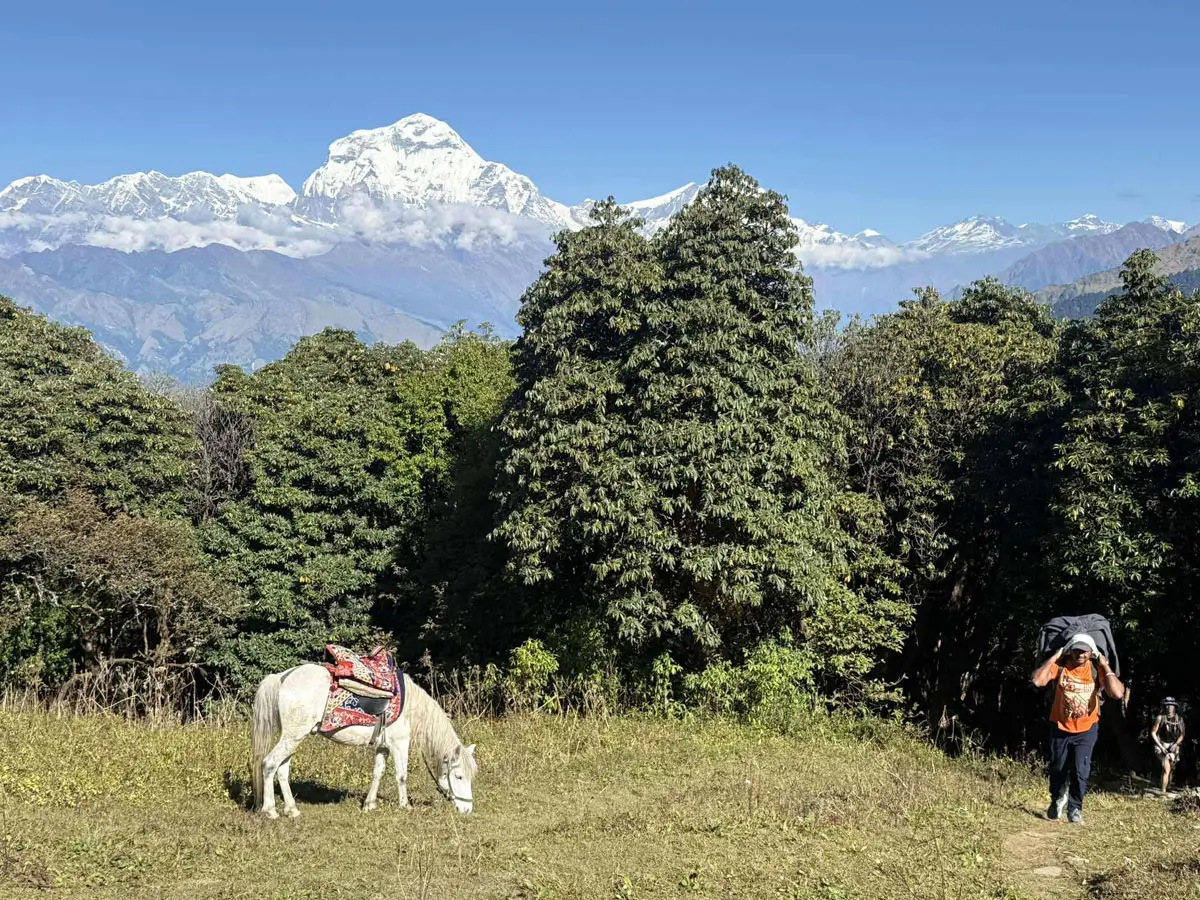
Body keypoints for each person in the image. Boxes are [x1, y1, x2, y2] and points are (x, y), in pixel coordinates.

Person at [1032, 633, 1126, 824]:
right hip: (1060, 726)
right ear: (1070, 651)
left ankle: (1075, 809)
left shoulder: (1095, 669)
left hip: (1087, 728)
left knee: (1080, 770)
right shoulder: (1060, 667)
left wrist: (1105, 664)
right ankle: (1057, 798)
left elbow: (1117, 693)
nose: (1080, 654)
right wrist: (1056, 656)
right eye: (1076, 650)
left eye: (1084, 651)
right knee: (1058, 767)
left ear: (1091, 652)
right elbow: (1037, 681)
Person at [1151, 697, 1185, 795]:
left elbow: (1182, 734)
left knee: (1171, 767)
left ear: (1175, 707)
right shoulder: (1160, 718)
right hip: (1162, 744)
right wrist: (1161, 747)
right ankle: (1163, 791)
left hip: (1173, 745)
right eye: (1168, 706)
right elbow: (1153, 733)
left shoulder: (1179, 719)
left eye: (1172, 706)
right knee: (1167, 768)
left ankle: (1167, 787)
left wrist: (1176, 744)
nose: (1169, 708)